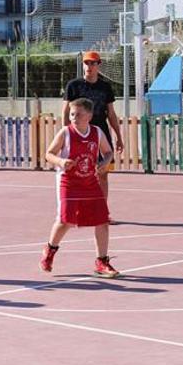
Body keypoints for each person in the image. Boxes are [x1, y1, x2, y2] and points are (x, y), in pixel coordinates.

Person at [39, 98, 120, 278]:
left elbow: (108, 152)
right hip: (69, 182)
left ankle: (102, 261)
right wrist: (61, 161)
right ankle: (50, 250)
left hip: (90, 182)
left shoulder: (97, 132)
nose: (74, 117)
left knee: (102, 220)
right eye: (72, 114)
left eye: (78, 114)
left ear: (89, 116)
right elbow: (49, 154)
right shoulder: (65, 133)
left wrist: (104, 163)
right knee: (65, 221)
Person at [63, 51, 124, 200]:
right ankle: (79, 208)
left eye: (93, 63)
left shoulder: (105, 87)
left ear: (98, 65)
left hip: (100, 132)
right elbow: (65, 111)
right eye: (87, 63)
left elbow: (111, 113)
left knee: (103, 173)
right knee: (79, 172)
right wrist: (67, 134)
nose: (89, 66)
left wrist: (119, 137)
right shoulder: (73, 86)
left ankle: (103, 212)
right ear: (83, 65)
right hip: (80, 132)